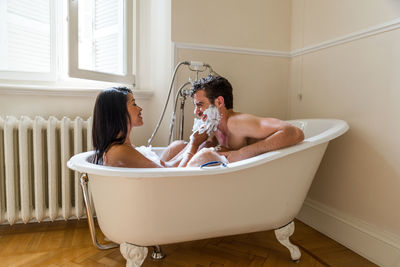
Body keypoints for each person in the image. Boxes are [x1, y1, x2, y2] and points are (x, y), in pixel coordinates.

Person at [92, 87, 223, 168]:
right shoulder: (119, 152)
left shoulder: (123, 147)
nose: (140, 108)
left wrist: (195, 143)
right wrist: (194, 145)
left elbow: (165, 167)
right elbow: (171, 177)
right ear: (118, 112)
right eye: (134, 104)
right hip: (160, 193)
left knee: (184, 145)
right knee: (207, 154)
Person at [188, 75, 305, 162]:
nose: (195, 111)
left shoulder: (236, 123)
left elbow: (295, 133)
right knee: (179, 145)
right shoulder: (215, 127)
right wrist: (193, 144)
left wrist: (242, 153)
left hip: (268, 173)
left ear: (219, 102)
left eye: (200, 105)